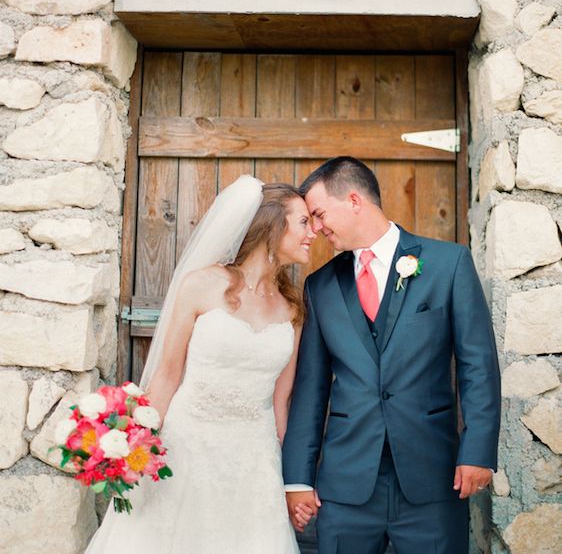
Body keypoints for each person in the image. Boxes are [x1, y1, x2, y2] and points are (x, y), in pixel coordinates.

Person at [283, 157, 501, 554]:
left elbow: (478, 366)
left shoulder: (448, 265)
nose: (315, 228)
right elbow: (311, 389)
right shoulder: (321, 287)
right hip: (346, 485)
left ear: (353, 200)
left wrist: (479, 452)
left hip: (434, 479)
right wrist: (297, 479)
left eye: (318, 214)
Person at [85, 177, 315, 554]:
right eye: (303, 222)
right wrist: (132, 446)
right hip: (185, 448)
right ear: (273, 224)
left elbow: (281, 402)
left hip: (254, 464)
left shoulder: (293, 310)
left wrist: (289, 480)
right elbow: (167, 374)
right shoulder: (200, 285)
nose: (313, 233)